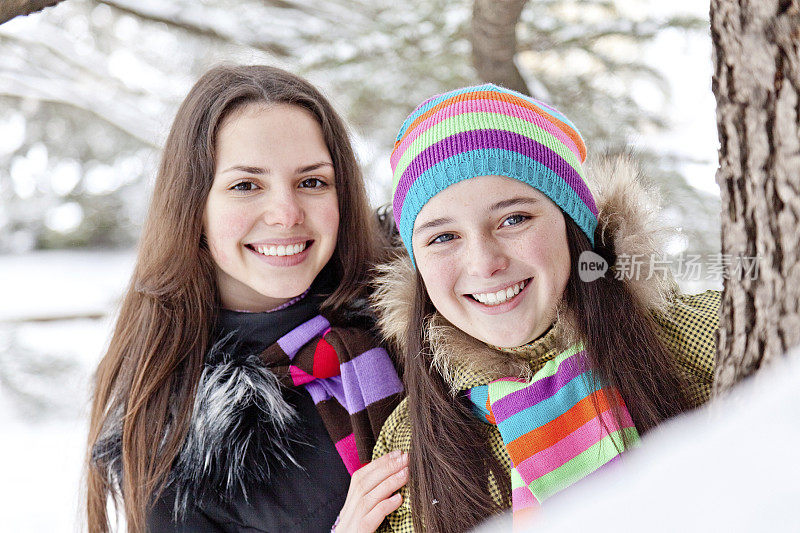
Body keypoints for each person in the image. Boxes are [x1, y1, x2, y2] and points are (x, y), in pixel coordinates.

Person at [371, 84, 719, 533]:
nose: (484, 263)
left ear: (574, 225)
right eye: (443, 237)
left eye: (513, 219)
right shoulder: (411, 446)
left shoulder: (706, 336)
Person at [85, 64, 408, 533]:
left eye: (312, 181)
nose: (286, 213)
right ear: (193, 205)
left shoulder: (427, 312)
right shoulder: (173, 432)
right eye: (245, 185)